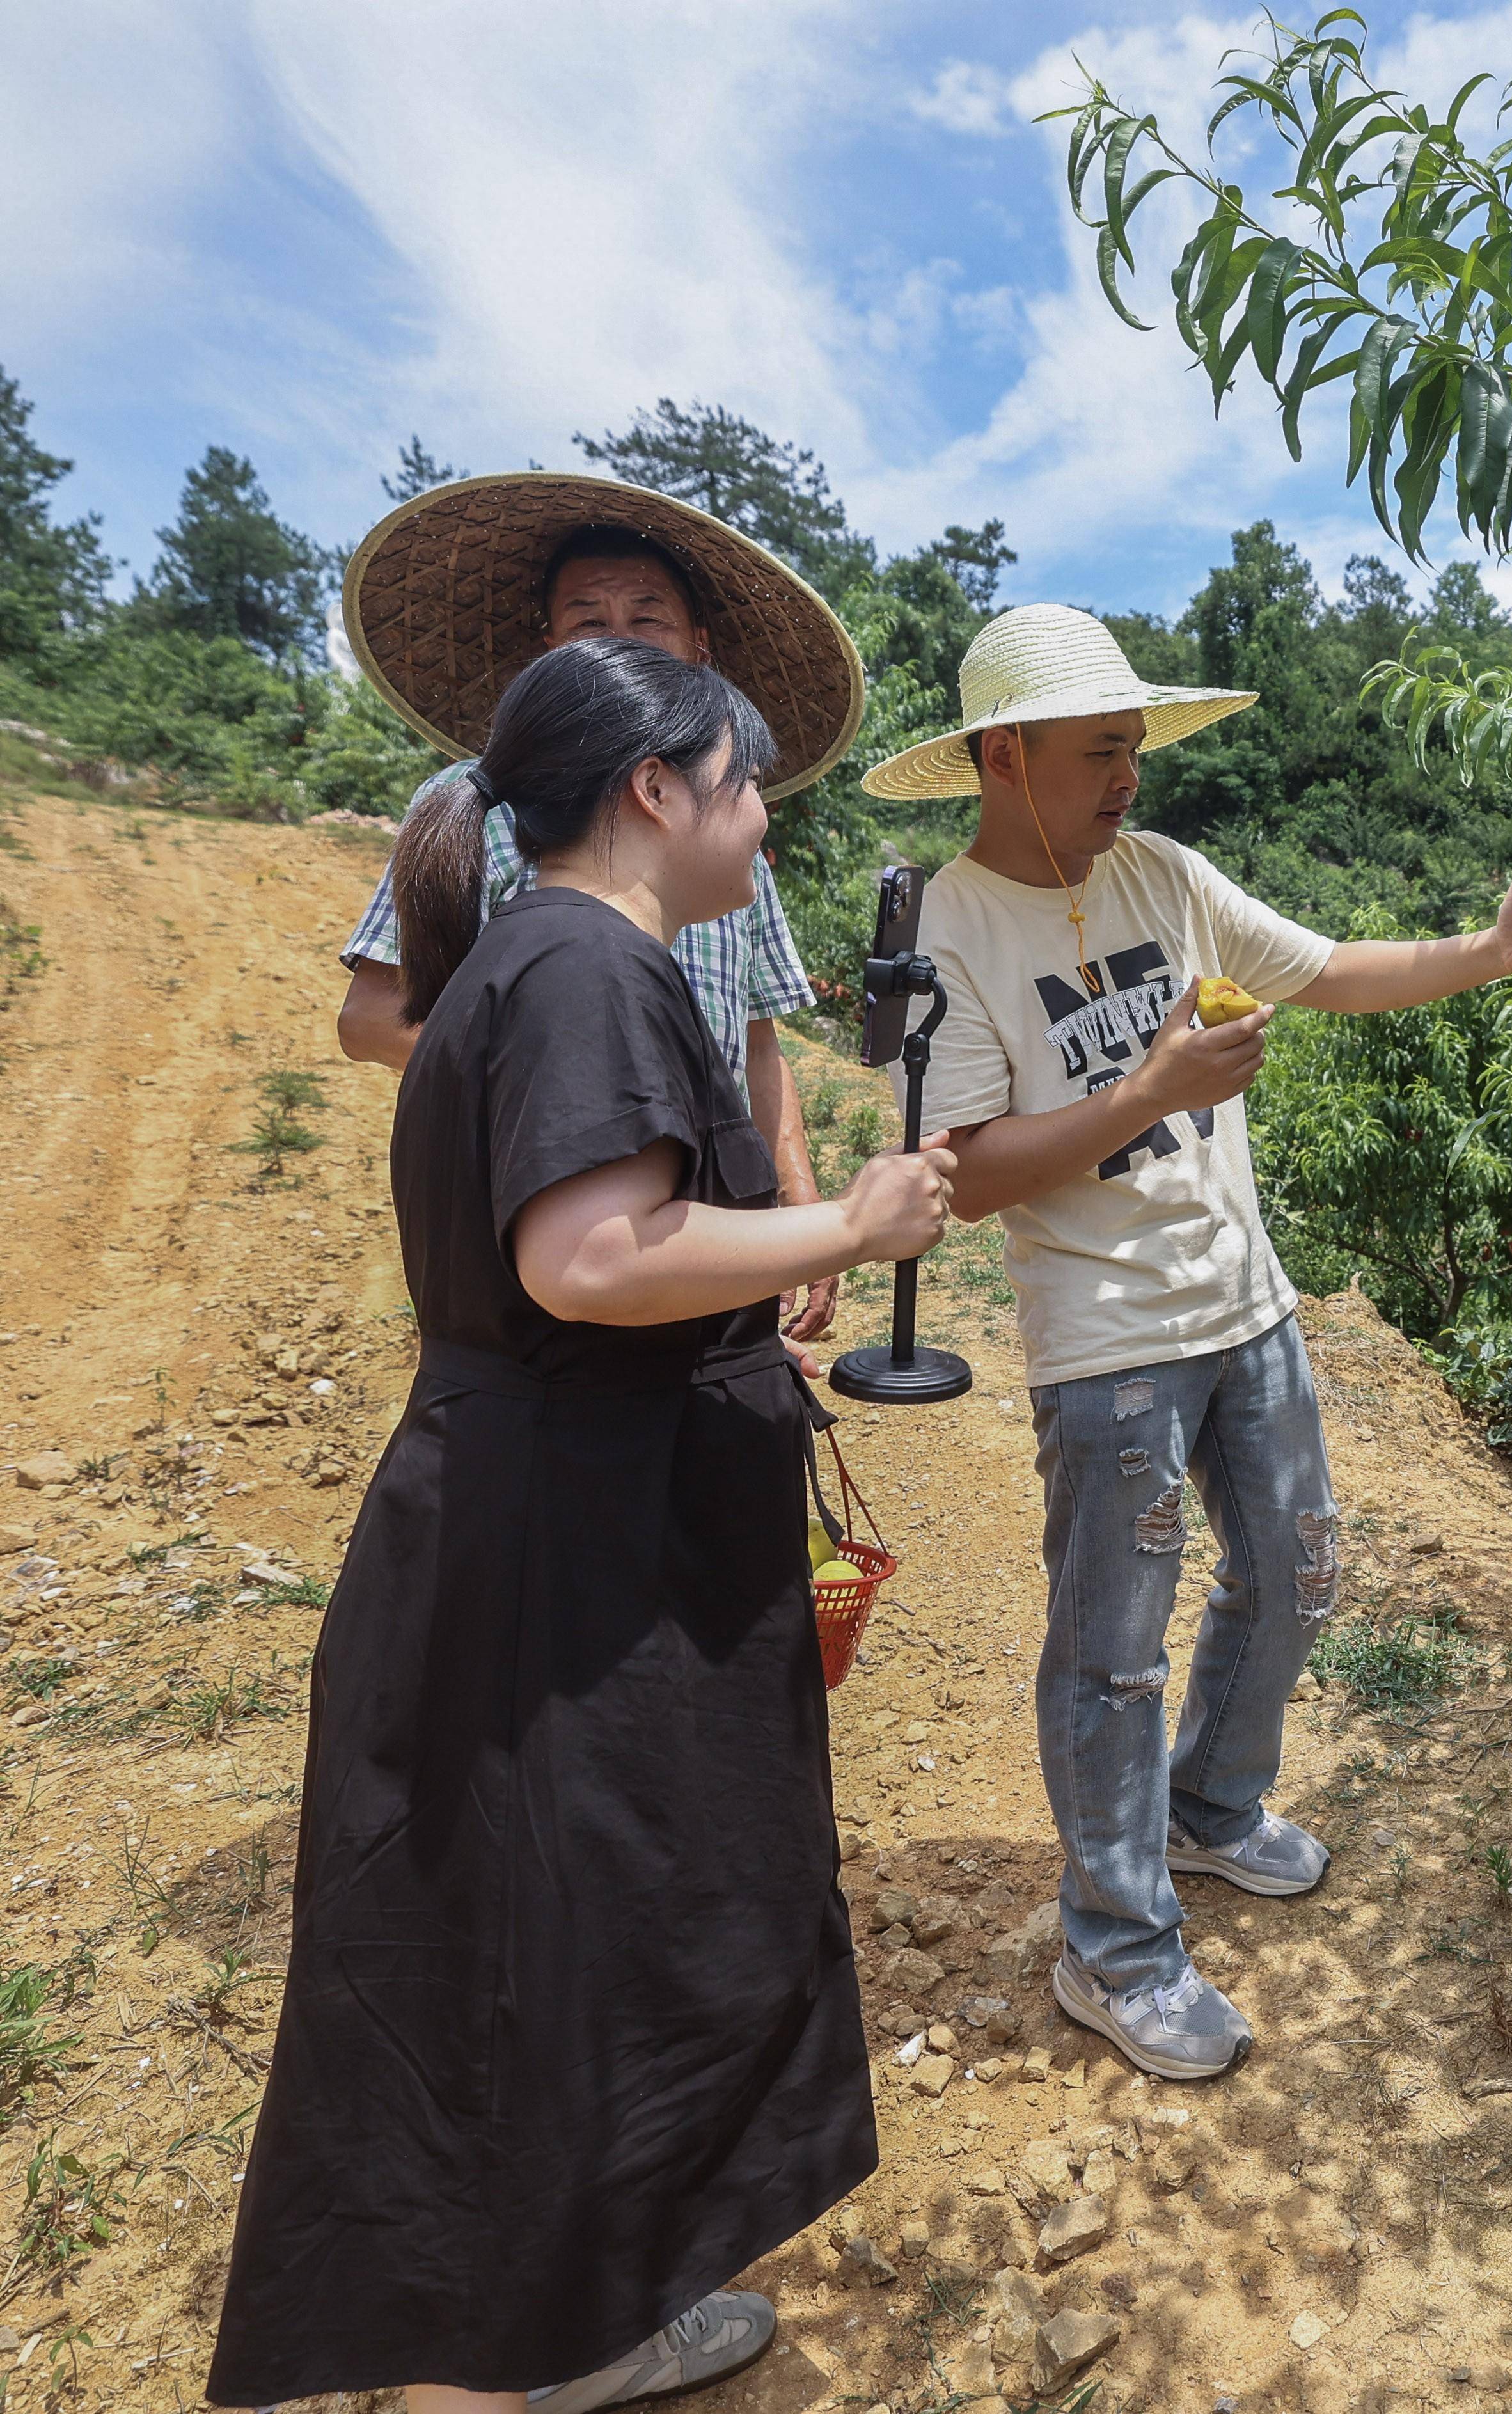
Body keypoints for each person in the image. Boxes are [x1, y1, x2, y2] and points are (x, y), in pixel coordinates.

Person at [207, 638, 956, 2414]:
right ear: (654, 787)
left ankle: (558, 2319)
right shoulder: (585, 963)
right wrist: (842, 1228)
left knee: (536, 1938)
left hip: (538, 1517)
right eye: (748, 782)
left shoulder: (526, 961)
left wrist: (749, 1285)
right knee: (578, 1928)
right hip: (575, 1555)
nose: (765, 822)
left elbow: (592, 1259)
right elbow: (590, 1255)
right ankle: (525, 2352)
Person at [860, 601, 1512, 2080]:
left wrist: (1495, 952)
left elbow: (1329, 968)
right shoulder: (952, 923)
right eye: (1102, 750)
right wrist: (1148, 1087)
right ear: (1005, 756)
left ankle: (1209, 1811)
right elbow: (959, 1174)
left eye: (1136, 745)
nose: (1131, 774)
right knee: (1112, 1656)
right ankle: (1112, 1947)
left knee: (1296, 1572)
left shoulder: (1169, 875)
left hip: (1245, 1306)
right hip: (1110, 1343)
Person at [333, 471, 870, 1338]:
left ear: (699, 645)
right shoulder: (484, 808)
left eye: (648, 617)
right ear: (550, 647)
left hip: (706, 1222)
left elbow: (759, 1043)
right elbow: (368, 1019)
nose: (625, 640)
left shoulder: (730, 845)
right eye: (590, 620)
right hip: (548, 1199)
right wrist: (572, 1099)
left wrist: (791, 1198)